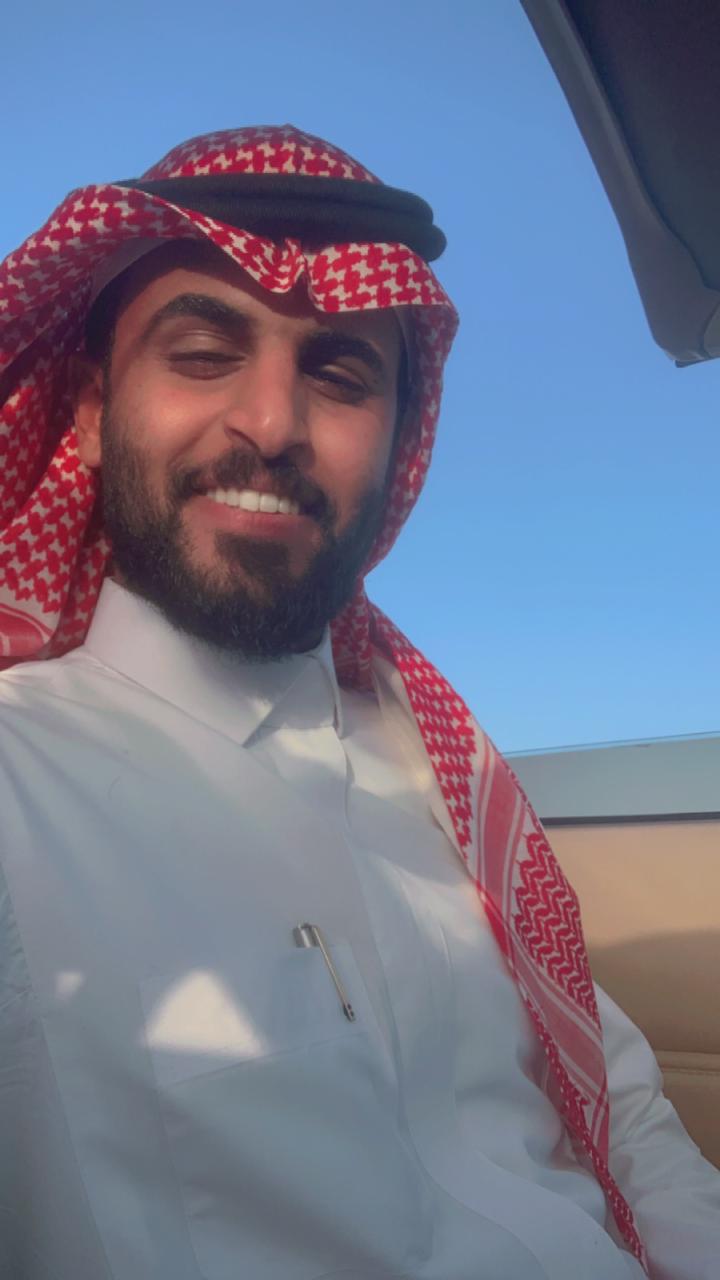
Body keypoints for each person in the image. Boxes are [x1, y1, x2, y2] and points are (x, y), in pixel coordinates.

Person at [0, 125, 717, 1280]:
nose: (272, 424)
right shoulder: (21, 788)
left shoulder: (452, 786)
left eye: (338, 376)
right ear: (88, 409)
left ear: (396, 444)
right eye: (203, 353)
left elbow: (626, 1119)